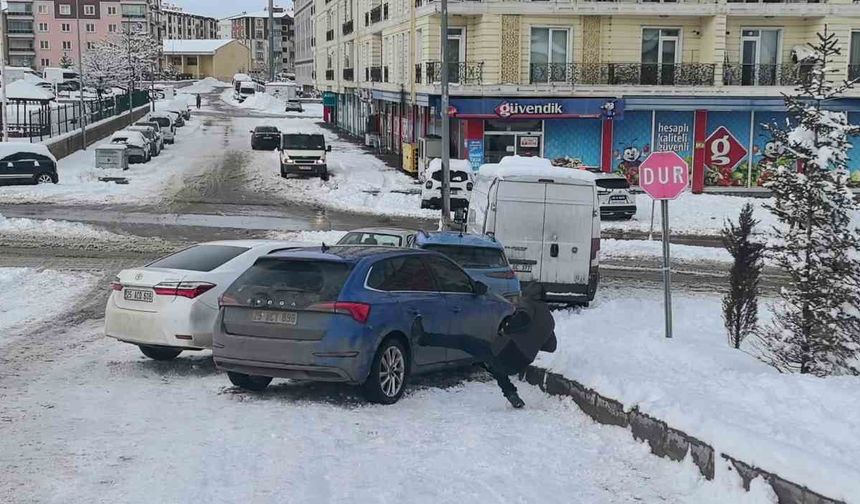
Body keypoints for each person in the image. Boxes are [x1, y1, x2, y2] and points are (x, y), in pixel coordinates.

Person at [413, 284, 556, 409]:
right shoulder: (549, 320)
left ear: (531, 295)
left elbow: (523, 318)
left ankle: (424, 338)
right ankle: (511, 394)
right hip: (521, 363)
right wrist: (532, 340)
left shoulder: (530, 304)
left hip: (509, 352)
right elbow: (551, 346)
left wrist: (508, 327)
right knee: (493, 361)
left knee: (464, 341)